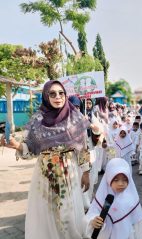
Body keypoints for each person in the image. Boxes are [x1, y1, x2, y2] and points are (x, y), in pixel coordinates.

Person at [1, 80, 91, 239]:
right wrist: (16, 145)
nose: (58, 97)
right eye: (53, 93)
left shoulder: (75, 118)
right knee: (48, 213)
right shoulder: (38, 120)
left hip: (69, 173)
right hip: (46, 175)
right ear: (45, 96)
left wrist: (86, 172)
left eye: (61, 93)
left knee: (68, 213)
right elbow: (30, 149)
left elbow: (83, 147)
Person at [84, 158, 142, 239]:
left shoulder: (131, 198)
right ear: (109, 179)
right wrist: (93, 221)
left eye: (125, 180)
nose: (120, 184)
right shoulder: (102, 196)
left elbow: (137, 221)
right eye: (116, 180)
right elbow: (92, 213)